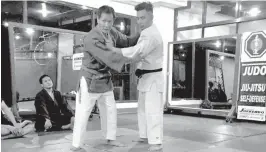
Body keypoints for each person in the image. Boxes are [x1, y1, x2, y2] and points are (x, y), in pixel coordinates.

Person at [71, 5, 139, 151]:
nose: (107, 25)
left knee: (110, 110)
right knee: (83, 114)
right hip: (89, 79)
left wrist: (142, 34)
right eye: (103, 21)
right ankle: (76, 145)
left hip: (105, 80)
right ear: (97, 19)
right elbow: (108, 57)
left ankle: (110, 139)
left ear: (113, 20)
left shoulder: (111, 32)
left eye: (110, 21)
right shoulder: (91, 38)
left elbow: (126, 41)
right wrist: (133, 58)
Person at [108, 2, 164, 151]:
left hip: (153, 78)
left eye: (143, 18)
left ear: (152, 16)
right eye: (138, 18)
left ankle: (156, 141)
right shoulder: (145, 32)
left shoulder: (151, 33)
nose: (139, 22)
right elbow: (137, 56)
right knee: (142, 109)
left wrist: (115, 51)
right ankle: (145, 135)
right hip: (145, 77)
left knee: (153, 111)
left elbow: (137, 52)